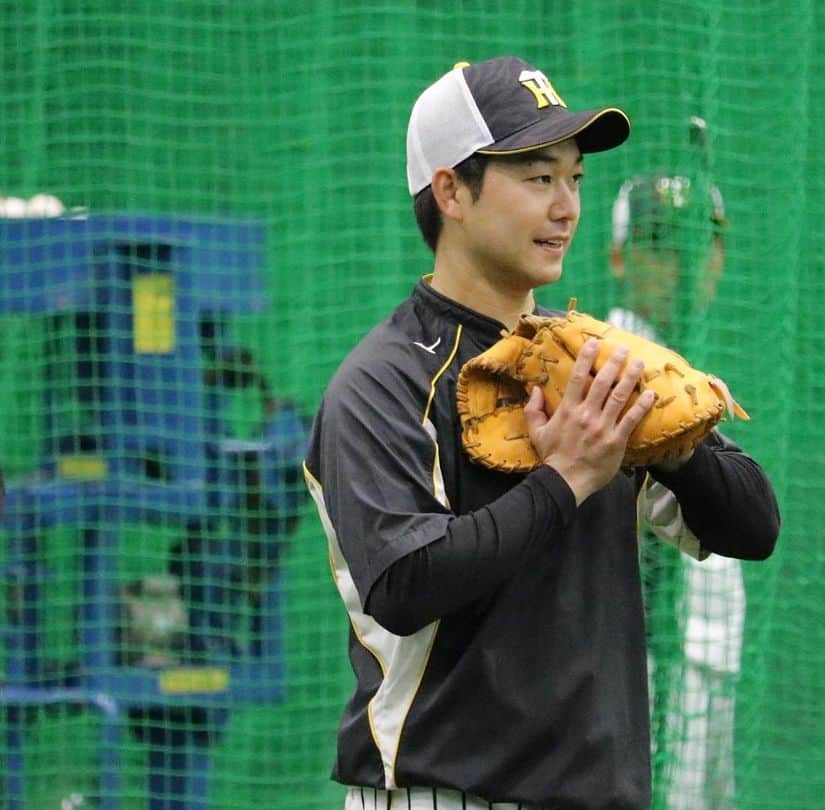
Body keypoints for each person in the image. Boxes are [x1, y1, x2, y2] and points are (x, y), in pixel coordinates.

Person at [303, 56, 780, 810]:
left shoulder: (590, 366)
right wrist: (568, 480)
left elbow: (753, 526)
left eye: (575, 180)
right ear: (451, 191)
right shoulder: (383, 380)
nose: (566, 207)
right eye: (537, 178)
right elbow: (402, 584)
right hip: (441, 792)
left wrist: (677, 446)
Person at [608, 137, 744, 809]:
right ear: (619, 257)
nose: (684, 265)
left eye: (701, 244)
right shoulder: (613, 365)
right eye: (661, 245)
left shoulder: (695, 367)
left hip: (710, 666)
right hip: (645, 663)